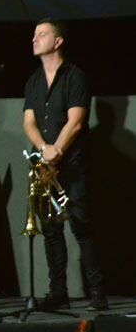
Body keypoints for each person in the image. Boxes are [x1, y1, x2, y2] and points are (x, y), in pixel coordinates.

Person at [23, 18, 108, 311]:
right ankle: (57, 291)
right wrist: (44, 150)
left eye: (42, 34)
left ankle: (97, 293)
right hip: (43, 167)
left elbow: (76, 121)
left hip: (70, 165)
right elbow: (29, 122)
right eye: (34, 34)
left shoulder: (75, 76)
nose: (34, 39)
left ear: (58, 41)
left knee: (82, 228)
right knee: (50, 230)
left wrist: (56, 151)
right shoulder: (33, 81)